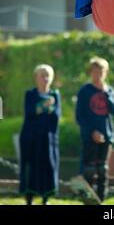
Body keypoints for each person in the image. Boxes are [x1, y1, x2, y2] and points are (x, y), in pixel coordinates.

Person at [76, 56, 114, 202]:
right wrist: (92, 132)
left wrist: (106, 94)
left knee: (102, 170)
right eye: (95, 71)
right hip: (89, 137)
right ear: (90, 72)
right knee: (88, 170)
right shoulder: (84, 91)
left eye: (101, 71)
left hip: (106, 136)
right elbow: (80, 116)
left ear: (106, 72)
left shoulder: (110, 91)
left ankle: (101, 200)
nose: (98, 74)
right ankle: (87, 200)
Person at [19, 64, 61, 205]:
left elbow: (56, 116)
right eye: (42, 75)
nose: (45, 78)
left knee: (48, 167)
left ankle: (45, 198)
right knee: (31, 168)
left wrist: (48, 107)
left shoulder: (55, 95)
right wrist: (44, 105)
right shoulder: (30, 95)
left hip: (48, 140)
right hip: (31, 139)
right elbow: (30, 112)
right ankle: (29, 199)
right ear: (36, 78)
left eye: (47, 75)